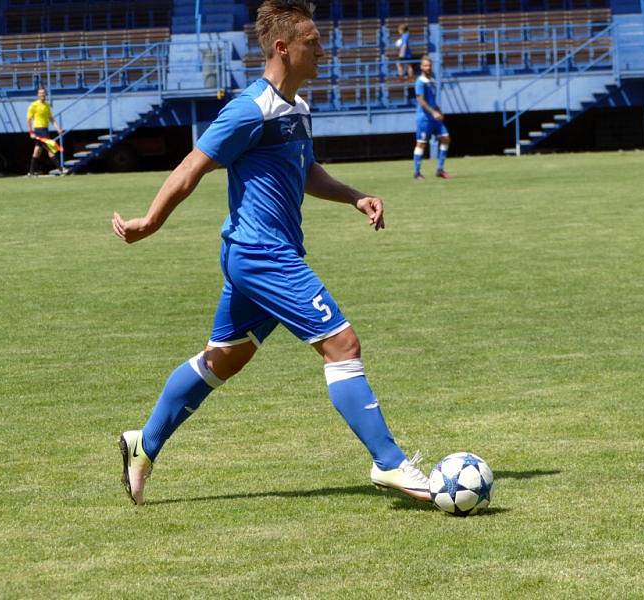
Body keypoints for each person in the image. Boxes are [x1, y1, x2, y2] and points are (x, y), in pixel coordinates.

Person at [112, 0, 430, 506]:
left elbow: (306, 173)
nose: (323, 51)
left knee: (222, 361)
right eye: (313, 42)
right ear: (283, 48)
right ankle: (390, 464)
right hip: (262, 254)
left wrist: (354, 196)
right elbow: (192, 166)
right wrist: (149, 223)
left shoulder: (297, 109)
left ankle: (143, 445)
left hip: (261, 255)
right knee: (342, 345)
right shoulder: (248, 108)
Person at [413, 55, 451, 180]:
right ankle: (417, 172)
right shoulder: (420, 82)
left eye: (429, 65)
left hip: (434, 117)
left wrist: (438, 110)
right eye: (425, 65)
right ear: (421, 67)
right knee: (421, 144)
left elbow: (432, 100)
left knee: (446, 138)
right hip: (424, 118)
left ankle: (440, 169)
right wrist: (433, 112)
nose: (428, 67)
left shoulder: (432, 80)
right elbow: (421, 100)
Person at [26, 87, 63, 176]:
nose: (42, 94)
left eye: (43, 93)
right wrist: (31, 132)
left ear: (46, 94)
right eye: (40, 93)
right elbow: (29, 119)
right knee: (50, 149)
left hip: (45, 130)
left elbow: (51, 118)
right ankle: (61, 169)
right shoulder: (33, 105)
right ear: (38, 95)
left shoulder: (47, 105)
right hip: (38, 130)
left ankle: (31, 172)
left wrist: (58, 128)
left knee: (37, 151)